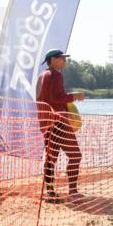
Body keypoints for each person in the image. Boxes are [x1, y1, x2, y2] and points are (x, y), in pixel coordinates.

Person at [36, 49, 84, 204]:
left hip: (46, 122)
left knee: (51, 158)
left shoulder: (41, 76)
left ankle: (49, 193)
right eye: (62, 58)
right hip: (59, 121)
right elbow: (56, 98)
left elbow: (43, 99)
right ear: (53, 59)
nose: (65, 61)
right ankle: (73, 192)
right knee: (75, 155)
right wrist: (73, 96)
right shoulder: (56, 75)